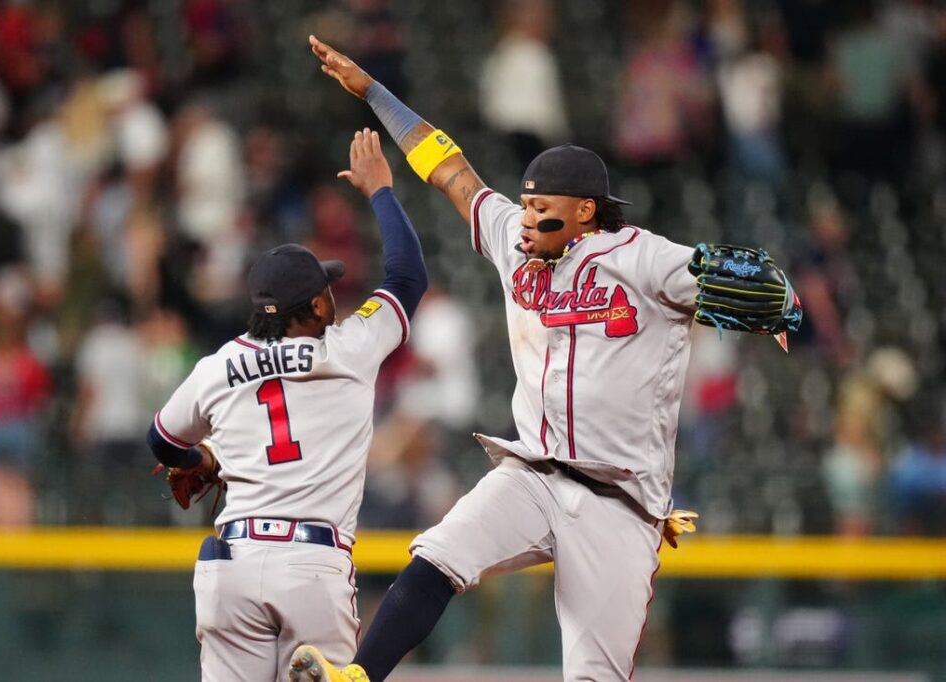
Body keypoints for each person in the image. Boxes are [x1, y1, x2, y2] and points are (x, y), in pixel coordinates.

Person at [291, 36, 795, 682]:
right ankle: (358, 677)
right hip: (534, 472)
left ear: (585, 212)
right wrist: (373, 94)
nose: (524, 219)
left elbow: (750, 287)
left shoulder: (645, 258)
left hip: (621, 503)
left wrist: (777, 301)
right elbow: (448, 168)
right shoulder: (512, 240)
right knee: (440, 554)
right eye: (524, 204)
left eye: (541, 208)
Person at [146, 129, 428, 681]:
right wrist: (381, 192)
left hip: (234, 558)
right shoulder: (349, 348)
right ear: (318, 304)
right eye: (327, 291)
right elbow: (408, 276)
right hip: (312, 564)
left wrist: (202, 462)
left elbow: (162, 440)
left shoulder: (218, 366)